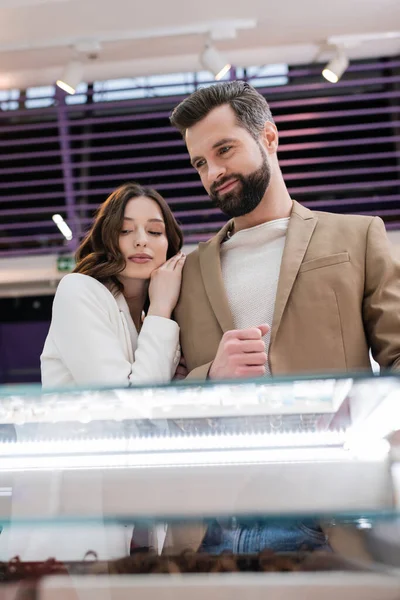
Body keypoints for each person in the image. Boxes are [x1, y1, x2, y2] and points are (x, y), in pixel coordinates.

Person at [163, 81, 400, 555]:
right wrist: (212, 377)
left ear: (269, 138)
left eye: (224, 149)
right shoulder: (187, 272)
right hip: (215, 525)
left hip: (329, 511)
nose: (213, 172)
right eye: (200, 163)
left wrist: (372, 422)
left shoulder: (356, 237)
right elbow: (164, 398)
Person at [41, 182, 185, 388]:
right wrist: (161, 307)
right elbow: (124, 406)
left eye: (154, 231)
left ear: (169, 245)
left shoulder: (148, 322)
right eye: (125, 230)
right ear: (107, 239)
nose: (141, 241)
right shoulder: (77, 290)